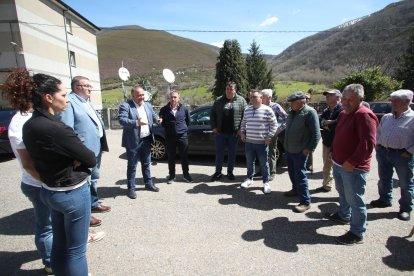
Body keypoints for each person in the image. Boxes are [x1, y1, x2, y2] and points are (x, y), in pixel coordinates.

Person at [6, 68, 97, 275]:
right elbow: (90, 158)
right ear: (48, 98)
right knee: (76, 251)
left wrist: (73, 156)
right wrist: (76, 157)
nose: (67, 100)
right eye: (64, 95)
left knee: (59, 244)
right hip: (71, 193)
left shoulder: (29, 125)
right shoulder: (57, 129)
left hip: (50, 191)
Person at [4, 70, 53, 275]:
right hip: (37, 183)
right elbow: (28, 165)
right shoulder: (20, 123)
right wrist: (49, 184)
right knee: (46, 225)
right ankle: (51, 264)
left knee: (52, 223)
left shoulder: (34, 116)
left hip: (45, 182)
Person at [326, 84, 378, 245]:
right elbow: (339, 134)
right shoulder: (343, 113)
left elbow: (368, 144)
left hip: (353, 167)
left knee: (355, 200)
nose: (346, 102)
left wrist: (353, 161)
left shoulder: (364, 115)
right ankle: (343, 215)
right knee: (343, 193)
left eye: (351, 100)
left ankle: (357, 232)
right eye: (344, 99)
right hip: (339, 163)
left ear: (361, 100)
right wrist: (333, 150)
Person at [58, 76, 110, 229]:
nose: (90, 88)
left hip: (95, 148)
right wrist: (76, 154)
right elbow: (67, 131)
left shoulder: (86, 101)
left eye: (90, 85)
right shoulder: (70, 103)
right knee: (84, 183)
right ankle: (84, 215)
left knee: (94, 178)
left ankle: (93, 204)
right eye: (86, 85)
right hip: (82, 153)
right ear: (76, 87)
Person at [370, 89, 414, 221]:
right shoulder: (387, 117)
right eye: (392, 100)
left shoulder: (412, 118)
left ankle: (405, 208)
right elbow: (379, 132)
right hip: (384, 152)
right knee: (384, 178)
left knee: (405, 183)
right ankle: (384, 199)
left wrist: (409, 151)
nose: (393, 103)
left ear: (407, 101)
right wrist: (377, 145)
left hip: (402, 155)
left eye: (396, 100)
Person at [118, 84, 162, 199]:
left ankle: (148, 183)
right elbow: (122, 120)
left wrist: (158, 119)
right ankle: (131, 188)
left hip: (146, 139)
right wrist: (137, 122)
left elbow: (153, 116)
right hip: (133, 141)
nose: (141, 97)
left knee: (146, 164)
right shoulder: (126, 106)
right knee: (132, 166)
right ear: (133, 95)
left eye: (143, 95)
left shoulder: (148, 105)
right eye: (139, 95)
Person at [283, 91, 321, 213]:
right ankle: (295, 190)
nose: (290, 105)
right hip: (289, 149)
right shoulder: (291, 112)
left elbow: (316, 134)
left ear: (302, 102)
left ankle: (305, 201)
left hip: (301, 151)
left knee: (300, 176)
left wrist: (309, 149)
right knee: (292, 173)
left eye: (293, 102)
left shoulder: (310, 112)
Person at [240, 90, 278, 193]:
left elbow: (274, 125)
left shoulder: (267, 110)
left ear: (261, 98)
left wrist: (269, 137)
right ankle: (249, 179)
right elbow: (243, 124)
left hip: (262, 143)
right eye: (251, 97)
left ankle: (266, 182)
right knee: (249, 162)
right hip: (249, 143)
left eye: (255, 97)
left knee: (264, 164)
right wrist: (242, 133)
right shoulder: (247, 110)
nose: (252, 99)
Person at [210, 81, 247, 181]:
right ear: (225, 90)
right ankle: (218, 172)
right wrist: (213, 127)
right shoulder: (219, 100)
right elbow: (212, 114)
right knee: (219, 154)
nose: (229, 91)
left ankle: (230, 172)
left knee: (232, 154)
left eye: (231, 89)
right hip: (220, 133)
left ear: (235, 90)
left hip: (234, 134)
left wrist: (240, 129)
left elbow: (245, 116)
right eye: (227, 89)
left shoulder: (241, 100)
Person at [159, 90, 193, 184]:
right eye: (171, 97)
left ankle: (186, 175)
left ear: (179, 98)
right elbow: (162, 122)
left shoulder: (184, 109)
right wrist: (169, 128)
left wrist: (182, 129)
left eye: (175, 97)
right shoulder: (164, 109)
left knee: (184, 156)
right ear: (169, 98)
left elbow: (188, 121)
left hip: (182, 136)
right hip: (170, 136)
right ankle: (172, 176)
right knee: (171, 157)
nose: (173, 99)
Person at [319, 89, 343, 192]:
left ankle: (343, 190)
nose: (327, 97)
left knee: (340, 168)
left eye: (330, 95)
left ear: (338, 97)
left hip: (339, 144)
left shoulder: (342, 110)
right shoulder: (326, 110)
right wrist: (326, 123)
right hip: (327, 142)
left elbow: (338, 125)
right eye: (327, 95)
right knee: (326, 166)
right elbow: (319, 121)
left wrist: (328, 124)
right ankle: (326, 185)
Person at [261, 89, 287, 180]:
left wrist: (279, 129)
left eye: (263, 96)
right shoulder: (259, 106)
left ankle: (272, 173)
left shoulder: (276, 106)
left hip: (272, 134)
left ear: (269, 97)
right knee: (261, 153)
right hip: (261, 134)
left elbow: (286, 119)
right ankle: (261, 170)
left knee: (271, 153)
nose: (261, 98)